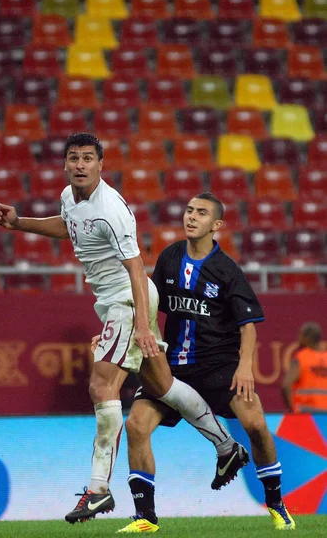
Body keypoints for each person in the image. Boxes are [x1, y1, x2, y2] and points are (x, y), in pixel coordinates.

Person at [0, 134, 248, 525]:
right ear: (65, 164)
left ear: (100, 165)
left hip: (129, 299)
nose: (80, 164)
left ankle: (98, 490)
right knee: (163, 386)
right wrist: (19, 223)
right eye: (74, 158)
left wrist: (142, 326)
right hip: (114, 304)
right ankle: (227, 447)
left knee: (102, 386)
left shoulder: (111, 208)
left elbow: (136, 268)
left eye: (88, 159)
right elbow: (68, 227)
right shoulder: (69, 197)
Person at [116, 193, 295, 533]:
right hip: (173, 368)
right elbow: (149, 305)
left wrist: (244, 367)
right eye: (188, 210)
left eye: (201, 213)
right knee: (136, 425)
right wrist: (120, 332)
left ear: (216, 225)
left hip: (218, 365)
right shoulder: (170, 257)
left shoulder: (227, 270)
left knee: (256, 424)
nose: (191, 217)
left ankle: (277, 504)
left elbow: (249, 326)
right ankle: (145, 518)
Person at [282, 322, 327, 413]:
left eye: (301, 335)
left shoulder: (301, 358)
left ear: (307, 338)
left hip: (305, 414)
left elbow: (286, 385)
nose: (299, 338)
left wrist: (292, 408)